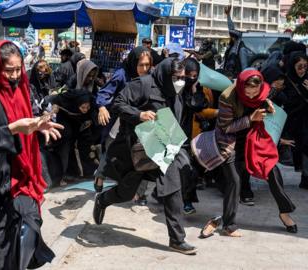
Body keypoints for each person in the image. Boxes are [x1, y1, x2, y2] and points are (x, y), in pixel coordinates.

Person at [0, 40, 62, 270]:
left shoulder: (24, 86)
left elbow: (34, 114)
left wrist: (39, 124)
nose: (15, 75)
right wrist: (14, 128)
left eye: (18, 69)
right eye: (9, 70)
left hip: (22, 170)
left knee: (30, 224)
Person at [93, 58, 197, 255]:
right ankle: (103, 200)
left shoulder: (176, 92)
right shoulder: (143, 84)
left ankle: (177, 239)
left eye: (183, 78)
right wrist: (139, 114)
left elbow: (173, 119)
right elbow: (118, 104)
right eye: (176, 78)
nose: (180, 82)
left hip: (162, 141)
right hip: (137, 145)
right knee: (126, 192)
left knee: (173, 185)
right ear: (166, 74)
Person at [199, 69, 297, 238]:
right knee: (235, 181)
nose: (251, 96)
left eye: (255, 92)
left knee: (272, 170)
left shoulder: (263, 92)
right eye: (247, 92)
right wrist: (251, 118)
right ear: (241, 87)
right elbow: (225, 127)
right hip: (230, 142)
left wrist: (266, 105)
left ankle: (284, 212)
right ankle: (229, 225)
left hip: (254, 140)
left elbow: (263, 99)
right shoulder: (227, 97)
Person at [94, 46, 153, 192]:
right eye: (141, 65)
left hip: (143, 120)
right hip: (122, 120)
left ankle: (139, 193)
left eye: (147, 65)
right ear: (133, 63)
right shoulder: (122, 75)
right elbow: (104, 93)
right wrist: (101, 107)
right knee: (111, 150)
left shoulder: (151, 76)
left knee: (144, 153)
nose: (144, 68)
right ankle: (100, 176)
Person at [283, 52, 308, 189]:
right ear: (293, 67)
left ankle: (306, 177)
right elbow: (286, 102)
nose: (303, 70)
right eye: (299, 67)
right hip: (293, 123)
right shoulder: (287, 81)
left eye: (305, 66)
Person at [223, 5, 251, 77]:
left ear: (234, 37)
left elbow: (244, 67)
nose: (230, 37)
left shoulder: (241, 48)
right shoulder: (232, 46)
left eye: (231, 36)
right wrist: (228, 15)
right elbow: (231, 29)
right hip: (229, 74)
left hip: (235, 76)